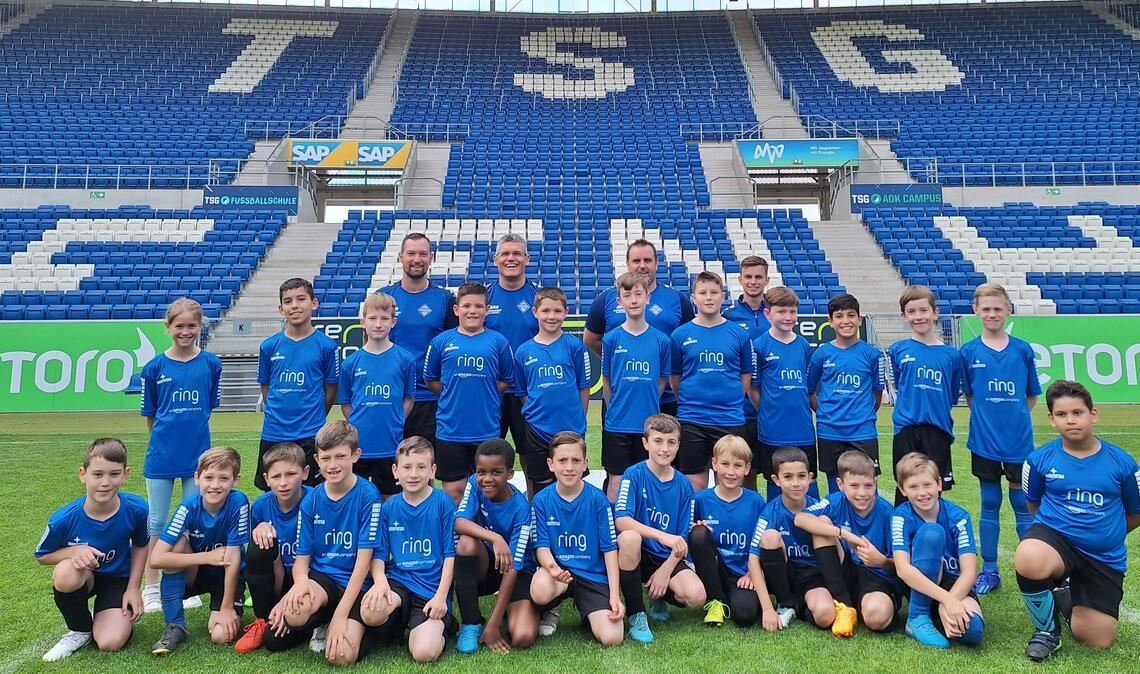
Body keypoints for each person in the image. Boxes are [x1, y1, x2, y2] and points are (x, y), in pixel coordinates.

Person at [1015, 380, 1140, 662]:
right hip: (1058, 542)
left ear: (1093, 414)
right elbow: (1034, 504)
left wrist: (1107, 534)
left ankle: (1063, 593)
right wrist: (1055, 536)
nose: (1070, 420)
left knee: (1097, 639)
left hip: (1102, 556)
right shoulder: (1038, 460)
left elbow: (1136, 512)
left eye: (1077, 412)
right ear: (1051, 419)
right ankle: (1047, 632)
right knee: (1029, 554)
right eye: (1062, 414)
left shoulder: (1124, 463)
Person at [272, 422, 381, 662]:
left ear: (355, 455)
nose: (332, 465)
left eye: (340, 456)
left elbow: (363, 564)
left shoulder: (368, 495)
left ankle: (367, 630)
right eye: (326, 458)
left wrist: (342, 615)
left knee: (340, 657)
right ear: (317, 460)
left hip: (356, 582)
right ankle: (323, 620)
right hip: (323, 581)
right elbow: (302, 559)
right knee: (294, 614)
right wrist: (300, 583)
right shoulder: (311, 501)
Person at [140, 298, 223, 612]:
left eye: (191, 326)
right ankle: (150, 586)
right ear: (168, 327)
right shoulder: (155, 367)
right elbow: (151, 414)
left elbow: (207, 407)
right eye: (179, 326)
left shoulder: (211, 364)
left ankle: (190, 583)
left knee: (192, 521)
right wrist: (165, 442)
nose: (185, 332)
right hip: (161, 457)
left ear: (200, 326)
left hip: (199, 460)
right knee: (158, 522)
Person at [36, 438, 149, 661]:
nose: (105, 482)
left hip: (118, 579)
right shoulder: (63, 518)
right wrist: (73, 551)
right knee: (65, 572)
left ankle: (110, 619)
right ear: (83, 474)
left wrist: (134, 587)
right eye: (98, 474)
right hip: (85, 576)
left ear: (125, 474)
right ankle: (80, 630)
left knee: (109, 642)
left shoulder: (137, 509)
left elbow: (141, 545)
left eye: (114, 474)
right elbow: (42, 555)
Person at [960, 283, 1040, 594]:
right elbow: (970, 395)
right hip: (984, 443)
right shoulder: (968, 352)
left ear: (1008, 310)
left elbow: (1030, 396)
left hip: (1019, 443)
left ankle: (1031, 567)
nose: (992, 314)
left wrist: (1012, 420)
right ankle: (990, 569)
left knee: (1022, 503)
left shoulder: (1022, 349)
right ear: (976, 311)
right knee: (990, 502)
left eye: (998, 308)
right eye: (986, 308)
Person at [357, 436, 457, 664]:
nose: (413, 474)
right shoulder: (388, 508)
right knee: (370, 612)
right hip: (399, 583)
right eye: (407, 467)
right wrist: (381, 581)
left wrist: (442, 597)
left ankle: (440, 626)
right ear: (395, 471)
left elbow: (451, 555)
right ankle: (397, 625)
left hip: (430, 589)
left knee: (424, 653)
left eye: (421, 467)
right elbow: (379, 555)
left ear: (432, 471)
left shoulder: (442, 503)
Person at [149, 447, 250, 655]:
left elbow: (232, 558)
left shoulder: (238, 502)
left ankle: (222, 605)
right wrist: (207, 557)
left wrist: (226, 607)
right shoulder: (188, 507)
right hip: (196, 572)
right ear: (197, 478)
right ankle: (174, 625)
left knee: (221, 636)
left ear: (235, 480)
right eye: (209, 477)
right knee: (177, 545)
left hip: (225, 575)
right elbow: (156, 558)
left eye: (223, 478)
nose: (215, 485)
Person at [614, 414, 706, 643]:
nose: (664, 449)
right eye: (658, 441)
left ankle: (658, 596)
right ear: (646, 443)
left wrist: (666, 570)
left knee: (696, 597)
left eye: (671, 442)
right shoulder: (633, 475)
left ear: (678, 445)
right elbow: (621, 520)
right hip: (637, 553)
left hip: (666, 557)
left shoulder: (684, 485)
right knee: (629, 538)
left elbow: (683, 537)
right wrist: (661, 536)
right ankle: (636, 613)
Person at [530, 431, 625, 646]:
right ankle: (553, 607)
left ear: (585, 464)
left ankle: (590, 609)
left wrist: (614, 595)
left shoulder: (597, 500)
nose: (569, 467)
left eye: (576, 460)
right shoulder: (541, 500)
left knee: (612, 638)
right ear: (550, 464)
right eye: (562, 460)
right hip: (560, 574)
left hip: (593, 576)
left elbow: (610, 550)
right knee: (540, 589)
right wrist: (552, 568)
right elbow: (542, 547)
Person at [423, 282, 515, 503]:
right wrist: (452, 393)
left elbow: (506, 380)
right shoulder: (441, 342)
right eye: (466, 306)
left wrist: (486, 392)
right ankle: (456, 536)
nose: (472, 311)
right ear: (456, 310)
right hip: (450, 429)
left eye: (478, 306)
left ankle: (483, 535)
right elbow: (431, 380)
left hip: (485, 428)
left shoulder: (498, 342)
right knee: (454, 491)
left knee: (486, 489)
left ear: (487, 309)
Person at [794, 450, 901, 637]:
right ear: (841, 485)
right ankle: (844, 606)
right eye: (854, 486)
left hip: (877, 578)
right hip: (845, 572)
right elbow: (801, 519)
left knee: (877, 618)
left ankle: (865, 606)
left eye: (868, 485)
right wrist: (844, 533)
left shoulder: (888, 514)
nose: (862, 493)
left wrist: (881, 560)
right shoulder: (836, 501)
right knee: (822, 524)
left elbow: (902, 568)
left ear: (876, 483)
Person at [585, 239, 694, 416]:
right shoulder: (606, 299)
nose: (642, 266)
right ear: (627, 263)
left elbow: (689, 343)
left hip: (667, 399)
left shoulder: (678, 299)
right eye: (636, 261)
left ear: (657, 263)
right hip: (622, 395)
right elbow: (591, 340)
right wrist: (620, 357)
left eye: (647, 260)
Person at [453, 439, 539, 654]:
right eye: (482, 471)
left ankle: (527, 609)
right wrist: (495, 538)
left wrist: (494, 624)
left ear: (509, 474)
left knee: (522, 637)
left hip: (515, 572)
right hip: (488, 565)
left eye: (496, 472)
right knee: (466, 543)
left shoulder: (521, 509)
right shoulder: (474, 483)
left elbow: (513, 568)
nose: (487, 479)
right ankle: (471, 623)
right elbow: (459, 522)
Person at [891, 452, 984, 649]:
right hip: (920, 583)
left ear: (939, 484)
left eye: (927, 485)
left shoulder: (958, 516)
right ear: (903, 490)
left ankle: (939, 615)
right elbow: (903, 569)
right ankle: (917, 617)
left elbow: (969, 572)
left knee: (973, 631)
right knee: (932, 533)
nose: (922, 493)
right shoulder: (901, 516)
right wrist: (947, 600)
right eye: (913, 487)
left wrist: (949, 601)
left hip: (955, 586)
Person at [671, 271, 753, 491]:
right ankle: (695, 526)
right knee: (694, 484)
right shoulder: (680, 335)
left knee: (729, 480)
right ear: (693, 298)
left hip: (729, 418)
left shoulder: (738, 334)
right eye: (703, 292)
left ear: (723, 296)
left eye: (714, 292)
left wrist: (733, 398)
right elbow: (676, 378)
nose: (708, 297)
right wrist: (690, 399)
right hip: (692, 419)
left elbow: (745, 375)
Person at [256, 277, 339, 490]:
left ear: (314, 303)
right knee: (273, 492)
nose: (294, 305)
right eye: (288, 301)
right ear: (280, 308)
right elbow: (266, 387)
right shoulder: (269, 346)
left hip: (310, 434)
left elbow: (331, 389)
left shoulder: (326, 346)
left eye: (301, 299)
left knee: (311, 493)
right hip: (274, 432)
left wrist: (315, 415)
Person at [379, 232, 458, 447]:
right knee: (390, 467)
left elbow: (453, 348)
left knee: (427, 467)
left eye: (423, 254)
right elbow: (370, 347)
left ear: (431, 258)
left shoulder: (445, 299)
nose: (417, 259)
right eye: (411, 253)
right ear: (400, 256)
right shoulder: (384, 297)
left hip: (430, 399)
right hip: (392, 396)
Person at [888, 286, 965, 505]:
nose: (918, 316)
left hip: (937, 428)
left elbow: (951, 392)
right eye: (912, 312)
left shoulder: (952, 355)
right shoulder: (898, 350)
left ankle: (932, 535)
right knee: (905, 485)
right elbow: (900, 383)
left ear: (935, 312)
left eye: (923, 310)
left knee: (932, 488)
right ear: (904, 316)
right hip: (906, 429)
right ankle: (901, 534)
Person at [234, 443, 312, 654]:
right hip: (277, 580)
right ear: (266, 479)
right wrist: (259, 528)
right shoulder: (260, 506)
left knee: (275, 642)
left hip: (309, 580)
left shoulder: (315, 501)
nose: (283, 483)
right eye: (276, 477)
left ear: (305, 473)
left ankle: (316, 622)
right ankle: (263, 619)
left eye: (291, 474)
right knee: (259, 545)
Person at [513, 286, 591, 495]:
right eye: (546, 311)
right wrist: (535, 412)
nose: (551, 316)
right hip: (538, 429)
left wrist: (578, 420)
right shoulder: (523, 351)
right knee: (541, 487)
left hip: (570, 429)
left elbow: (584, 387)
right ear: (535, 312)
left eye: (557, 311)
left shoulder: (575, 346)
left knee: (572, 483)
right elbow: (522, 392)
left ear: (566, 313)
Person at [600, 272, 671, 501]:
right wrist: (616, 407)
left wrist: (649, 402)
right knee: (617, 484)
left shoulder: (661, 340)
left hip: (648, 425)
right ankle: (616, 535)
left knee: (647, 483)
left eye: (638, 294)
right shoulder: (611, 339)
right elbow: (608, 381)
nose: (633, 300)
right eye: (627, 295)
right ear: (619, 301)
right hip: (617, 424)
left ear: (648, 297)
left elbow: (662, 380)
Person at [338, 292, 417, 499]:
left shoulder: (405, 359)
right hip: (360, 446)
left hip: (390, 445)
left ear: (393, 322)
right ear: (363, 321)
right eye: (373, 318)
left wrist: (398, 419)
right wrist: (357, 424)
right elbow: (346, 403)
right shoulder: (350, 363)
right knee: (357, 498)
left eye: (384, 319)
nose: (378, 324)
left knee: (390, 498)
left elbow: (409, 397)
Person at [750, 446, 835, 632]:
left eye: (801, 476)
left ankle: (799, 608)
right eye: (788, 477)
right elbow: (753, 559)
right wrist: (766, 609)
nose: (795, 483)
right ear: (776, 480)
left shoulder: (821, 509)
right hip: (784, 576)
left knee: (825, 616)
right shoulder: (770, 512)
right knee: (770, 537)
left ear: (811, 478)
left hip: (813, 578)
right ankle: (785, 602)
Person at [807, 294, 884, 496]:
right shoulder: (822, 354)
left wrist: (862, 413)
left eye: (851, 315)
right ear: (830, 322)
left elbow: (877, 392)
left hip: (863, 431)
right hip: (829, 431)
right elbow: (810, 390)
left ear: (859, 319)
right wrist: (825, 412)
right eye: (839, 316)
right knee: (836, 489)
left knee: (867, 489)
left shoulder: (872, 354)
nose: (846, 321)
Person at [690, 435, 765, 627]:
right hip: (714, 571)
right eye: (725, 464)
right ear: (714, 464)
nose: (731, 472)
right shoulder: (701, 500)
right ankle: (715, 600)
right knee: (698, 532)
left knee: (745, 615)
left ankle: (732, 599)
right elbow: (692, 540)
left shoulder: (756, 501)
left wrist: (752, 573)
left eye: (738, 465)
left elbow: (762, 542)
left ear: (747, 468)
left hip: (743, 574)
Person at [751, 288, 819, 500]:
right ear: (768, 313)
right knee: (776, 483)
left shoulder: (804, 345)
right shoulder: (760, 346)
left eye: (792, 311)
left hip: (803, 429)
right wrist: (767, 409)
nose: (788, 317)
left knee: (809, 482)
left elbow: (808, 387)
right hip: (773, 430)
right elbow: (753, 388)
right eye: (782, 312)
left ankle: (812, 527)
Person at [485, 233, 540, 463]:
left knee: (531, 458)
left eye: (517, 253)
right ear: (495, 259)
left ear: (527, 258)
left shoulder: (539, 297)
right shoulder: (484, 297)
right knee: (487, 458)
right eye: (505, 253)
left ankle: (533, 500)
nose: (511, 258)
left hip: (528, 393)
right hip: (491, 391)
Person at [722, 256, 771, 491]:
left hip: (772, 408)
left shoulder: (776, 313)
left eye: (758, 277)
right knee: (744, 472)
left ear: (767, 279)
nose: (753, 282)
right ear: (740, 280)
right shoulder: (728, 317)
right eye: (748, 277)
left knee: (775, 471)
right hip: (741, 410)